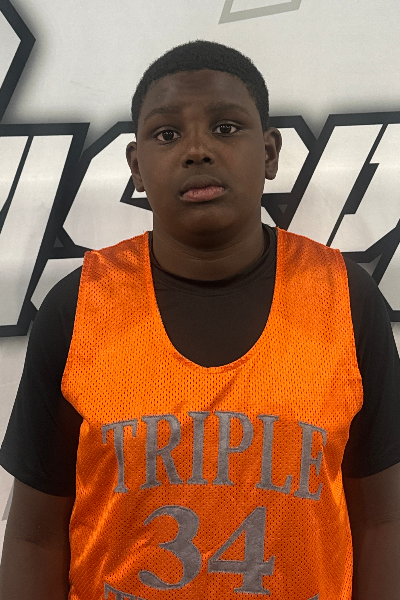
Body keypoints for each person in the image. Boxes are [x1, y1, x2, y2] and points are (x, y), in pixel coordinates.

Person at [0, 40, 400, 600]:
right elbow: (34, 539)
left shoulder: (345, 299)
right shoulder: (78, 307)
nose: (196, 150)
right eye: (167, 134)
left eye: (226, 128)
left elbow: (383, 522)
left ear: (269, 153)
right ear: (136, 167)